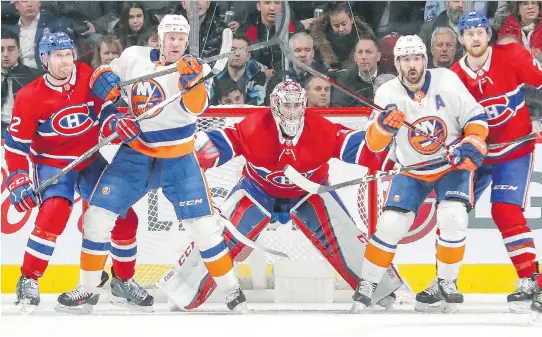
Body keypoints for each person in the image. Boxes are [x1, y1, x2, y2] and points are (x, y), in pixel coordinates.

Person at [157, 79, 404, 312]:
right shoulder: (254, 126)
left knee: (343, 234)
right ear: (275, 105)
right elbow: (219, 145)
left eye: (298, 105)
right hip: (257, 192)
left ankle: (381, 290)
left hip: (308, 192)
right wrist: (198, 145)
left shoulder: (321, 129)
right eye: (287, 105)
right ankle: (183, 290)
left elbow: (361, 148)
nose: (293, 111)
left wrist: (383, 133)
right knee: (220, 237)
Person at [57, 14, 246, 313]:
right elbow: (102, 78)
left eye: (181, 38)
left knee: (204, 226)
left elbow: (197, 107)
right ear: (159, 37)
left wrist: (192, 82)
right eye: (170, 37)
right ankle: (86, 290)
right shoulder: (134, 57)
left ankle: (232, 290)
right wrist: (105, 90)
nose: (175, 43)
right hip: (136, 153)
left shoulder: (199, 68)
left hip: (178, 157)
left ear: (186, 41)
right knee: (97, 217)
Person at [2, 31, 138, 314]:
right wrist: (17, 178)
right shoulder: (29, 96)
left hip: (89, 160)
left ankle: (123, 281)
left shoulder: (86, 75)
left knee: (123, 214)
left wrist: (116, 124)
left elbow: (105, 114)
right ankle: (28, 279)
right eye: (58, 56)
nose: (66, 62)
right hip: (53, 162)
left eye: (68, 55)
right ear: (44, 59)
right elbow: (16, 147)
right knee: (54, 211)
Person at [352, 35, 488, 314]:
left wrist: (471, 143)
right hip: (412, 169)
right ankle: (368, 284)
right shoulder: (387, 92)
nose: (411, 65)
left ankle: (446, 282)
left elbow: (476, 119)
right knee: (390, 224)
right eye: (405, 59)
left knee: (453, 217)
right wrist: (384, 126)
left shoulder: (446, 80)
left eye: (416, 58)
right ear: (398, 62)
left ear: (425, 59)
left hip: (451, 164)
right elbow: (373, 143)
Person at [417, 11, 542, 314]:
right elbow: (445, 119)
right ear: (460, 39)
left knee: (505, 210)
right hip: (476, 154)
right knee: (451, 212)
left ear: (489, 35)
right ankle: (444, 281)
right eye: (468, 32)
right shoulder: (452, 78)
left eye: (480, 31)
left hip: (513, 150)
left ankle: (530, 280)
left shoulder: (512, 55)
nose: (474, 37)